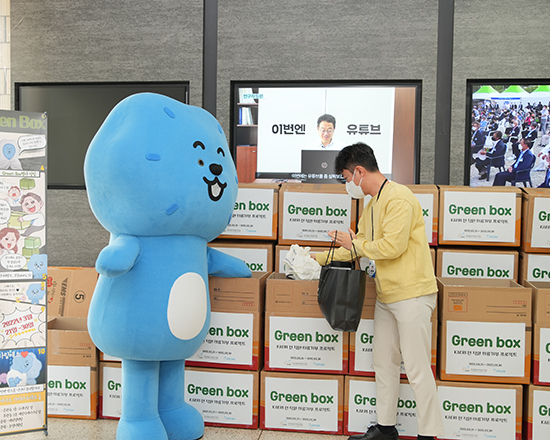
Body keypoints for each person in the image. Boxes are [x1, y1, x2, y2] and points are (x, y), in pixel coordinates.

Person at [314, 142, 443, 440]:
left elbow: (391, 248)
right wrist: (315, 259)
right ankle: (386, 429)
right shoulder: (371, 204)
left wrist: (354, 244)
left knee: (417, 367)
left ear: (359, 171)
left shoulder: (399, 198)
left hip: (412, 294)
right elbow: (359, 248)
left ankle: (429, 434)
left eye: (347, 178)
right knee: (384, 362)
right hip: (386, 296)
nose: (349, 185)